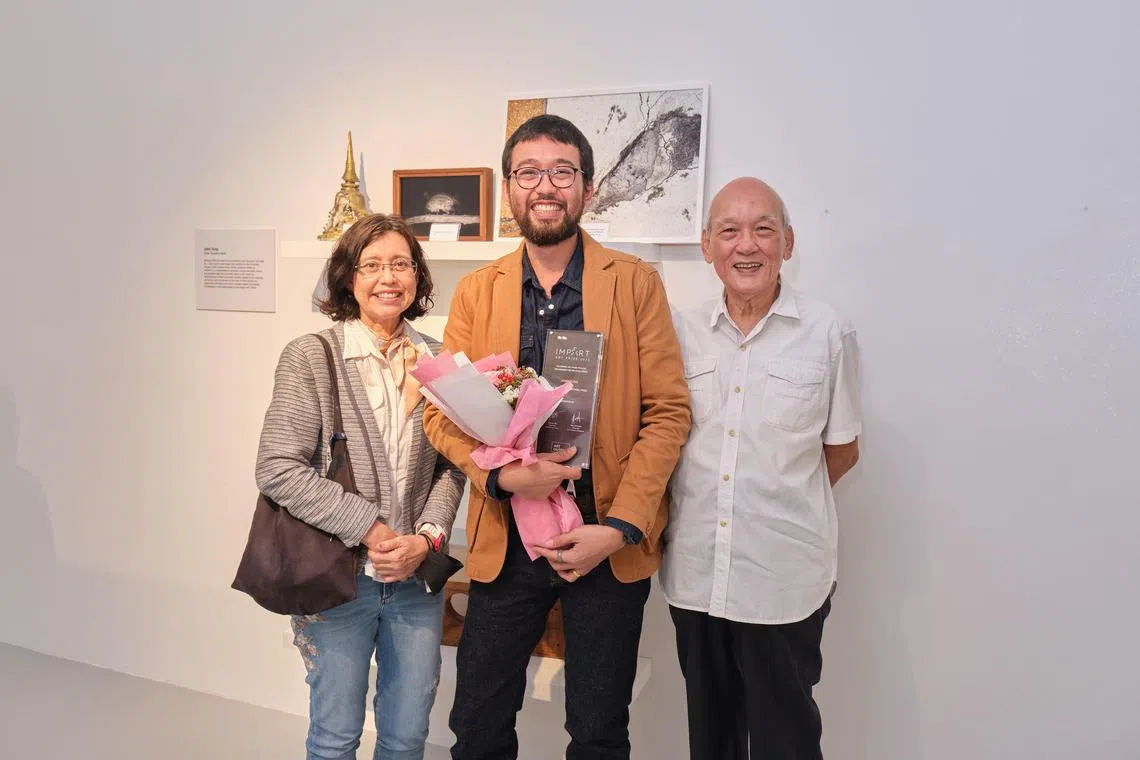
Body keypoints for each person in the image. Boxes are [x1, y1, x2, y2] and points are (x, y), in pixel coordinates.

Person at [422, 114, 691, 760]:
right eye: (529, 172)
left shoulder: (634, 284)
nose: (546, 186)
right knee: (477, 726)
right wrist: (498, 477)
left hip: (603, 541)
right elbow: (439, 413)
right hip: (507, 538)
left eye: (562, 172)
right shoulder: (477, 292)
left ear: (588, 188)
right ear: (510, 190)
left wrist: (622, 526)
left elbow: (669, 413)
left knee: (599, 732)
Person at [663, 177, 863, 760]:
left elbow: (842, 449)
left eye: (763, 229)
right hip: (696, 574)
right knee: (712, 738)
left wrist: (769, 498)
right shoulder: (680, 332)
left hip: (783, 576)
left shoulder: (827, 331)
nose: (745, 245)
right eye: (729, 231)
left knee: (787, 741)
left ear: (788, 243)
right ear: (706, 246)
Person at [255, 213, 466, 760]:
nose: (387, 277)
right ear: (348, 278)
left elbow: (454, 465)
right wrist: (372, 531)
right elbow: (278, 466)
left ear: (418, 277)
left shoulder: (440, 361)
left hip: (417, 580)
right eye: (371, 265)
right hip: (340, 576)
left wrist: (427, 539)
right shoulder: (311, 356)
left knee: (407, 736)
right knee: (334, 736)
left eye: (400, 264)